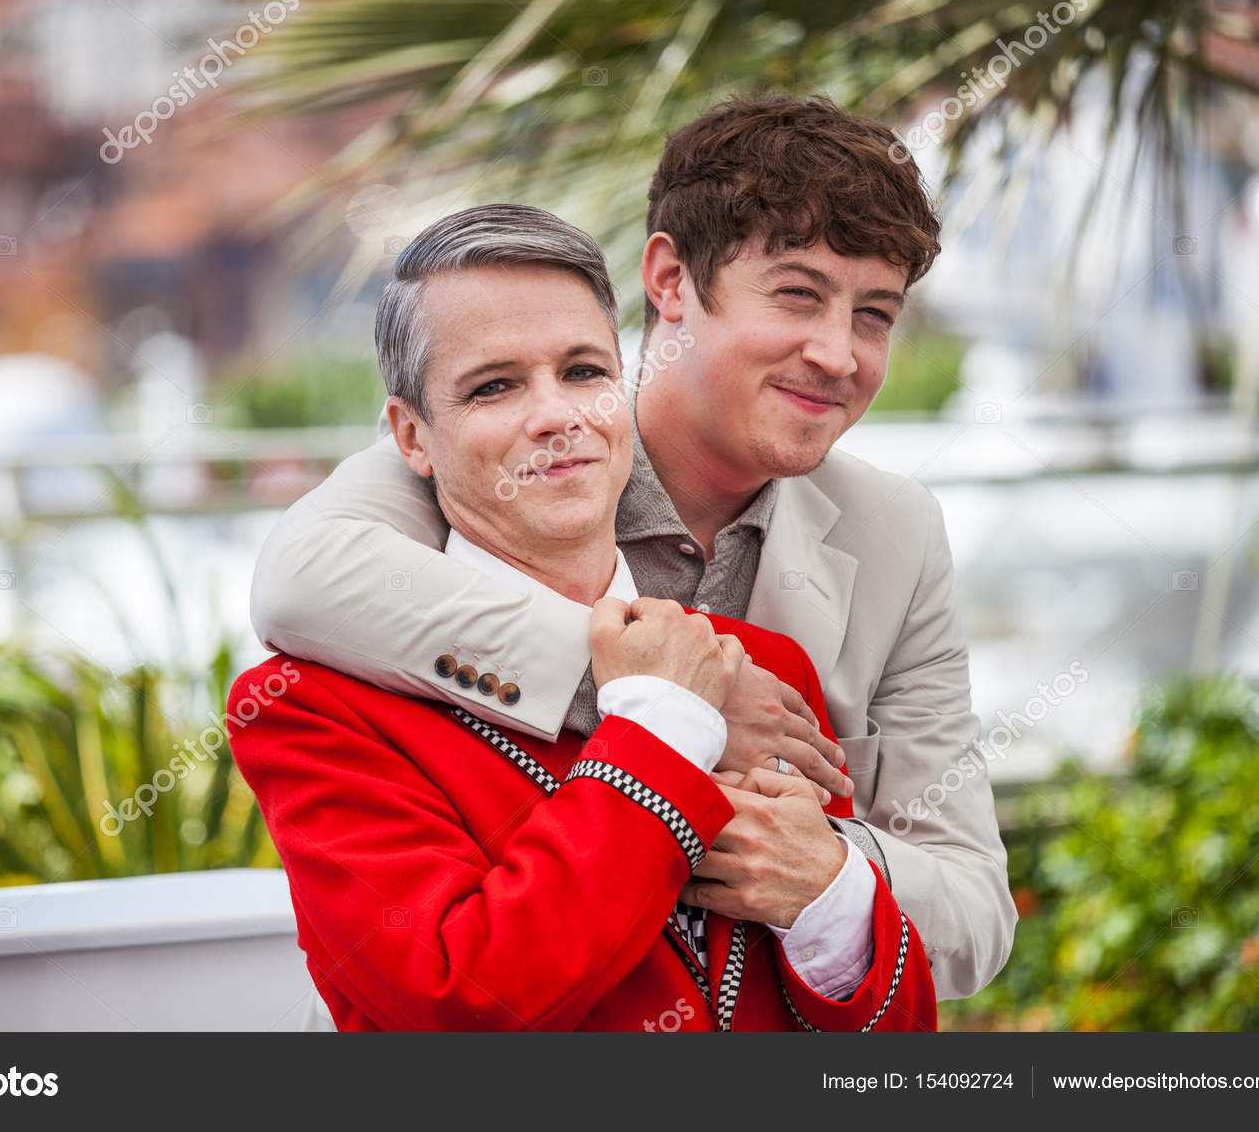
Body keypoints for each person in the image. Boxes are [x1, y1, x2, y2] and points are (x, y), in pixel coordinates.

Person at [250, 95, 1015, 1001]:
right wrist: (671, 700)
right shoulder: (496, 451)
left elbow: (973, 917)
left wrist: (824, 864)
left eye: (876, 315)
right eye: (798, 294)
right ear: (670, 281)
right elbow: (296, 584)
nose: (838, 354)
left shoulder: (899, 531)